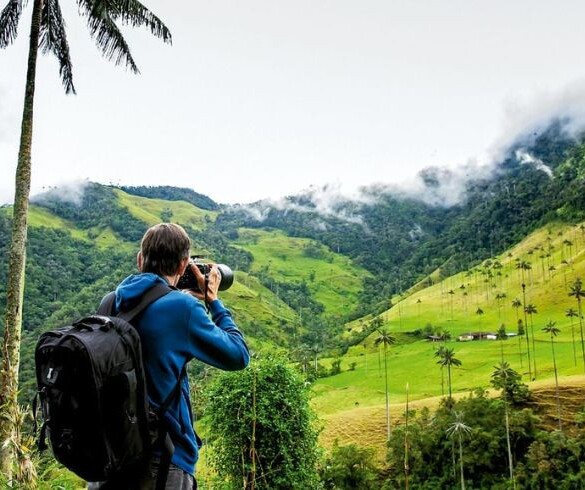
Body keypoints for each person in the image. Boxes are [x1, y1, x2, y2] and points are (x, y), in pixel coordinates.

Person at [89, 223, 250, 489]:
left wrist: (178, 296)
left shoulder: (110, 302)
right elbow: (238, 356)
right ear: (183, 264)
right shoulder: (182, 307)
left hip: (110, 457)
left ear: (140, 260)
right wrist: (213, 302)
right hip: (162, 460)